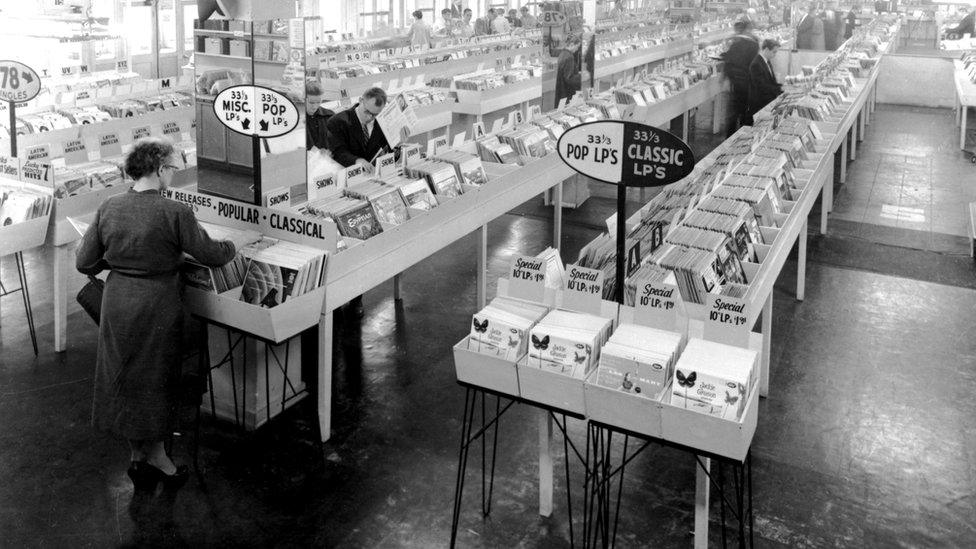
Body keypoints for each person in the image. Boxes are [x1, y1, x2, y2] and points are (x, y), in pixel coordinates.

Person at [76, 138, 245, 494]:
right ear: (158, 169)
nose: (173, 174)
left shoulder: (109, 206)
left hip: (118, 302)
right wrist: (236, 245)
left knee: (123, 377)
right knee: (156, 380)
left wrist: (120, 263)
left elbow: (84, 261)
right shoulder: (175, 212)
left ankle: (137, 456)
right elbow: (210, 253)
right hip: (157, 304)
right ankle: (159, 459)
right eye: (171, 168)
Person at [326, 87, 390, 174]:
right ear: (360, 100)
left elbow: (386, 151)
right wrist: (357, 161)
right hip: (348, 175)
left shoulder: (382, 121)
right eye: (367, 112)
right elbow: (338, 152)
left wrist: (397, 144)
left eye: (374, 115)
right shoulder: (337, 122)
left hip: (374, 175)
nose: (369, 117)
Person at [721, 20, 760, 134]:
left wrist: (725, 79)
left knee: (733, 114)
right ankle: (743, 137)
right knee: (745, 112)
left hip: (736, 82)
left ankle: (729, 138)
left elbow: (729, 62)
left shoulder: (736, 43)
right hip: (748, 83)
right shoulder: (755, 44)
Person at [748, 39, 784, 116]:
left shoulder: (767, 61)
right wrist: (780, 89)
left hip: (768, 100)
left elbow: (772, 82)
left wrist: (783, 88)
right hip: (760, 105)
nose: (775, 55)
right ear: (767, 49)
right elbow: (762, 87)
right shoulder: (756, 64)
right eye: (774, 52)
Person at [305, 81, 334, 152]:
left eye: (318, 102)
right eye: (311, 102)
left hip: (328, 161)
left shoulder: (330, 116)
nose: (314, 106)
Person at [554, 36, 582, 108]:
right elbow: (569, 78)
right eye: (577, 46)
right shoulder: (569, 57)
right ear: (572, 44)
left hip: (561, 89)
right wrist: (580, 77)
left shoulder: (562, 54)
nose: (577, 49)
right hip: (567, 92)